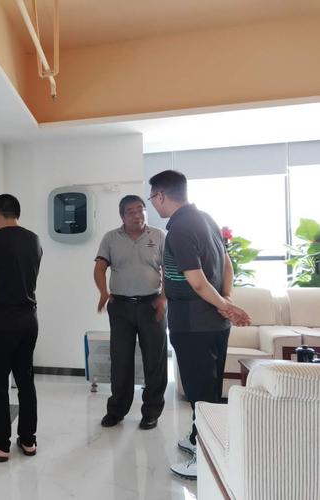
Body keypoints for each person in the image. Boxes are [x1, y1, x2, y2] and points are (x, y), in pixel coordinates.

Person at [147, 170, 251, 480]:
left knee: (201, 394)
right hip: (214, 325)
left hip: (194, 325)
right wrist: (226, 302)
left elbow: (197, 281)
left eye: (152, 198)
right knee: (210, 387)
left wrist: (225, 306)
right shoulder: (206, 219)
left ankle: (206, 460)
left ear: (161, 196)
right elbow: (227, 264)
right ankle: (196, 439)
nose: (153, 203)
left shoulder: (179, 229)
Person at [0, 194, 42, 462]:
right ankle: (28, 441)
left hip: (1, 320)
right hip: (28, 319)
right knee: (25, 381)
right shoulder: (34, 240)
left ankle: (1, 445)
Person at [94, 195, 168, 431]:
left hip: (152, 305)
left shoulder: (158, 235)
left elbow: (168, 268)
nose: (137, 215)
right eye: (130, 211)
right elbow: (99, 267)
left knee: (155, 361)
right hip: (121, 307)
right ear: (122, 216)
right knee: (120, 360)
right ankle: (116, 410)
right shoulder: (111, 238)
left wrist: (163, 297)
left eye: (140, 209)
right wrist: (103, 292)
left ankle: (151, 412)